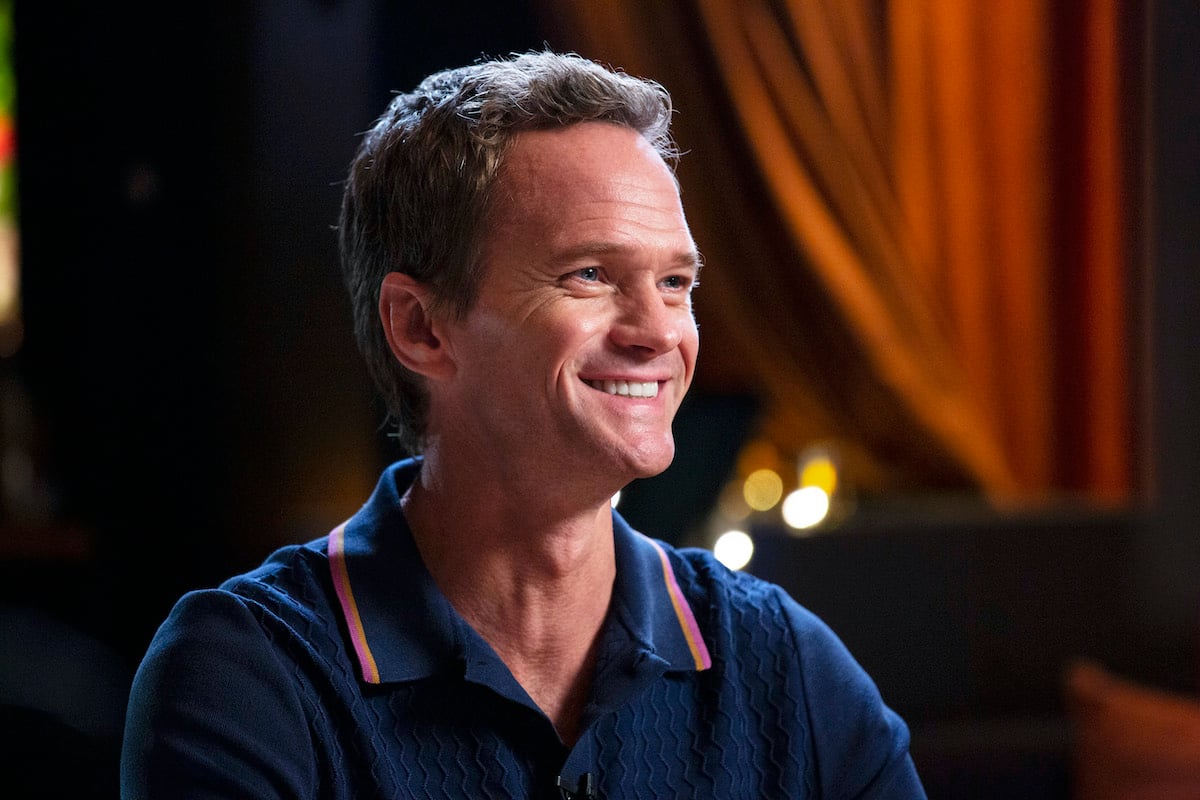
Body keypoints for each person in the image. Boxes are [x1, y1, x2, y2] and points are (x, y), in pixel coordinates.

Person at [120, 49, 927, 799]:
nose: (659, 332)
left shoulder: (783, 664)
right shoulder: (251, 676)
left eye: (675, 283)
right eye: (590, 274)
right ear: (421, 328)